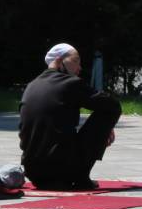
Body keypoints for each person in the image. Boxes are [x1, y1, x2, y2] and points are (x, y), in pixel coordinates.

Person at [18, 43, 121, 191]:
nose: (80, 67)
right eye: (76, 60)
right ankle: (81, 178)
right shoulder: (70, 84)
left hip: (33, 171)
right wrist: (106, 128)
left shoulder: (32, 85)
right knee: (110, 109)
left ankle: (67, 175)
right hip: (62, 170)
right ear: (59, 60)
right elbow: (112, 105)